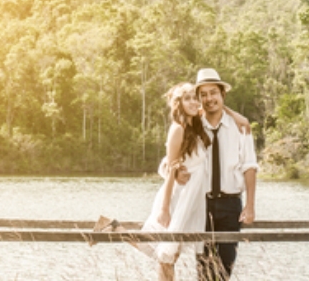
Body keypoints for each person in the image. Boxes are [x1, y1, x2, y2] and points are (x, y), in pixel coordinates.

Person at [93, 82, 249, 281]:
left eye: (195, 97)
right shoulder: (178, 128)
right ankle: (114, 228)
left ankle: (114, 227)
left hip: (193, 199)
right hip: (178, 197)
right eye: (188, 98)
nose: (194, 101)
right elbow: (170, 168)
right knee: (167, 253)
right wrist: (165, 208)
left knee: (169, 252)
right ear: (179, 103)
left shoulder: (196, 124)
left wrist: (219, 104)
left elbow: (242, 122)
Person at [194, 68, 259, 281]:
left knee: (224, 270)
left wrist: (249, 206)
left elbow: (249, 166)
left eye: (213, 92)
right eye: (203, 94)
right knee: (204, 270)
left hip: (230, 205)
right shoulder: (193, 126)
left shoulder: (241, 127)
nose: (209, 98)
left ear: (223, 94)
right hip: (201, 205)